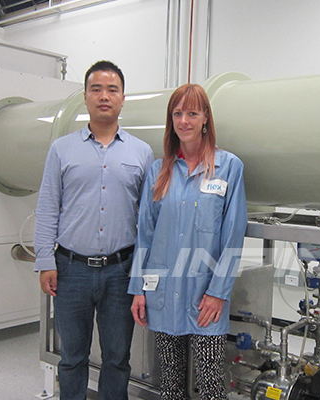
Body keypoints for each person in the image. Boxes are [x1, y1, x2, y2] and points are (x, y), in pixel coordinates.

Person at [34, 60, 154, 400]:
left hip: (121, 271)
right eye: (96, 89)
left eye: (112, 90)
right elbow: (47, 206)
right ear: (85, 97)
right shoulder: (61, 149)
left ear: (122, 99)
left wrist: (143, 274)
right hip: (71, 269)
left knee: (117, 358)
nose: (104, 96)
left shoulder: (141, 152)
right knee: (72, 357)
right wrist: (45, 261)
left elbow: (148, 219)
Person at [128, 84, 247, 400]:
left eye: (192, 113)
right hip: (164, 294)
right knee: (170, 384)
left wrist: (218, 293)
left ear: (205, 117)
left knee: (211, 385)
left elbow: (233, 237)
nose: (184, 121)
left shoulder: (228, 168)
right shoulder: (159, 171)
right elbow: (145, 235)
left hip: (205, 297)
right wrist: (138, 289)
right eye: (177, 113)